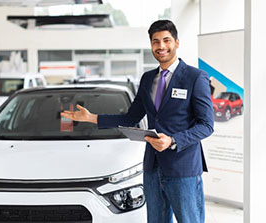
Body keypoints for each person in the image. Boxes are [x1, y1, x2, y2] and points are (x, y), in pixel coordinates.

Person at [61, 20, 214, 223]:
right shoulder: (147, 79)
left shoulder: (196, 77)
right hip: (152, 167)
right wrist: (91, 118)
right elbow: (130, 118)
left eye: (166, 40)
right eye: (155, 41)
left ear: (177, 42)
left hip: (182, 168)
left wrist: (173, 140)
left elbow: (206, 125)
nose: (161, 46)